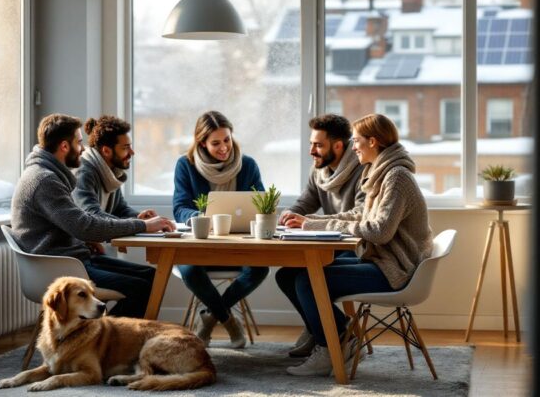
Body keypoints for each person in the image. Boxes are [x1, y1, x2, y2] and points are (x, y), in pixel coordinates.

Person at [283, 113, 433, 376]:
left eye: (356, 141)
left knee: (307, 280)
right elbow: (359, 216)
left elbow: (379, 231)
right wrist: (311, 222)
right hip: (381, 259)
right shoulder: (381, 172)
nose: (353, 147)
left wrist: (317, 224)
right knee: (292, 273)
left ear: (373, 142)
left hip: (395, 269)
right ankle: (340, 337)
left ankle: (333, 345)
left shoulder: (396, 177)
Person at [10, 113, 175, 319]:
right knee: (140, 287)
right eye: (79, 143)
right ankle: (108, 342)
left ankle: (107, 339)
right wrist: (142, 225)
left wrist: (84, 239)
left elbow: (74, 224)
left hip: (75, 258)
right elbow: (84, 225)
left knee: (152, 277)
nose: (83, 149)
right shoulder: (44, 181)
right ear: (64, 146)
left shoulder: (47, 175)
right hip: (60, 268)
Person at [173, 110, 269, 349]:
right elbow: (180, 208)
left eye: (226, 139)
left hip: (240, 243)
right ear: (202, 143)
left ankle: (211, 315)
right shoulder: (186, 165)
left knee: (259, 269)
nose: (224, 147)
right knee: (189, 269)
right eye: (215, 143)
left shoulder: (247, 165)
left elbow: (262, 204)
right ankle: (228, 319)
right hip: (203, 242)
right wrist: (205, 218)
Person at [274, 114, 366, 358]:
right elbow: (307, 200)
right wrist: (291, 213)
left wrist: (310, 222)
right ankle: (322, 331)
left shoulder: (363, 169)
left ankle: (334, 341)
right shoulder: (320, 170)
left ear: (338, 146)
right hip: (333, 244)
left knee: (306, 278)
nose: (312, 151)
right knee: (285, 276)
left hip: (357, 247)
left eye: (318, 145)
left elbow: (360, 214)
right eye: (311, 144)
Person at [74, 115, 157, 220]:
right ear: (106, 151)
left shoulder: (111, 170)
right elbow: (93, 216)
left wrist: (138, 216)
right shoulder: (83, 173)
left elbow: (119, 209)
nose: (132, 152)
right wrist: (141, 225)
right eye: (125, 148)